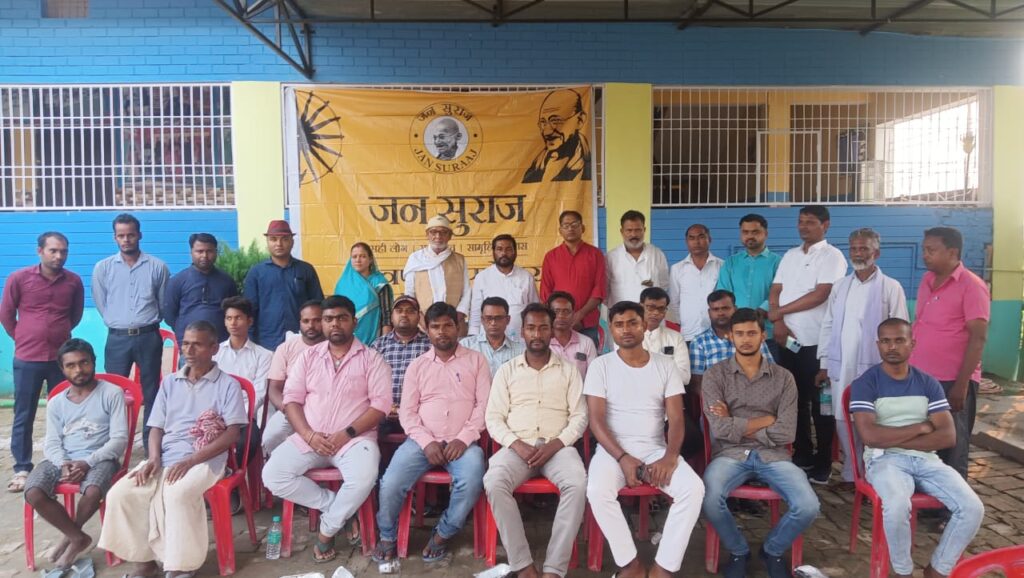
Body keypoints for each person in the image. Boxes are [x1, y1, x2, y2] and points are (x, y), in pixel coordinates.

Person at [97, 321, 248, 578]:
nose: (189, 350)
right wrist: (154, 458)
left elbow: (233, 433)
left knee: (177, 494)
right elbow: (155, 426)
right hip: (166, 456)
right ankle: (144, 562)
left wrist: (190, 461)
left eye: (197, 345)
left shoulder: (227, 385)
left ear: (214, 349)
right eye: (186, 344)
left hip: (206, 459)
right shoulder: (170, 382)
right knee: (121, 493)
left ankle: (181, 565)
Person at [262, 296, 392, 563]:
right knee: (273, 475)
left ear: (354, 322)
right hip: (311, 437)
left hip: (355, 440)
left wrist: (347, 433)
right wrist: (308, 435)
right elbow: (291, 400)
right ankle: (339, 510)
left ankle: (327, 531)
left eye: (342, 318)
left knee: (364, 477)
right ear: (322, 323)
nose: (335, 324)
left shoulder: (372, 359)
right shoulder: (307, 357)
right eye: (329, 319)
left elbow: (380, 407)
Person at [850, 318, 984, 578]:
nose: (892, 347)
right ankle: (903, 572)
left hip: (926, 460)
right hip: (884, 460)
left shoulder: (928, 383)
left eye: (899, 340)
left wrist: (891, 437)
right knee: (897, 505)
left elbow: (947, 437)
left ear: (912, 344)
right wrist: (920, 427)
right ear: (878, 345)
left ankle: (938, 569)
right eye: (886, 341)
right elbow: (870, 436)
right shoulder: (866, 383)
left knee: (972, 508)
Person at [585, 301, 704, 578]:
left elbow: (676, 419)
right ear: (611, 328)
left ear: (644, 325)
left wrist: (670, 457)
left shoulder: (665, 366)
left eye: (632, 323)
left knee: (693, 489)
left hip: (655, 449)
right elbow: (596, 421)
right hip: (612, 450)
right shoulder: (601, 366)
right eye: (619, 324)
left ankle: (663, 568)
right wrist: (623, 458)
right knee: (597, 490)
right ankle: (630, 565)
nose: (626, 329)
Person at [702, 308, 818, 578]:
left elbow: (786, 433)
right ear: (730, 336)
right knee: (709, 499)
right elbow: (719, 428)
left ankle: (772, 550)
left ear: (763, 335)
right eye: (740, 334)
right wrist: (767, 420)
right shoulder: (715, 376)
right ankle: (738, 551)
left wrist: (735, 423)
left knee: (808, 506)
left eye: (752, 333)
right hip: (729, 454)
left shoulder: (784, 378)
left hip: (774, 455)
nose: (746, 339)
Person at [373, 302, 490, 564]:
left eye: (448, 325)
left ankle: (443, 534)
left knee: (473, 479)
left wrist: (464, 438)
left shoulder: (476, 361)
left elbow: (484, 406)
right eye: (435, 326)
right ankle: (388, 536)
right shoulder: (417, 366)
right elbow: (407, 413)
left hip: (462, 443)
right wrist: (426, 442)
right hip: (420, 441)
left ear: (458, 327)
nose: (442, 331)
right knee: (390, 482)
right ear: (427, 329)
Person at [484, 303, 588, 578]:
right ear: (522, 332)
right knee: (494, 481)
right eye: (531, 328)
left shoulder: (569, 371)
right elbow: (493, 418)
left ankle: (554, 569)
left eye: (543, 327)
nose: (537, 334)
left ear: (552, 331)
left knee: (577, 483)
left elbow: (580, 417)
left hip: (558, 448)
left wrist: (556, 444)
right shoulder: (507, 371)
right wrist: (517, 444)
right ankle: (523, 566)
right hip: (518, 447)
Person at [816, 228, 908, 487]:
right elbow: (828, 324)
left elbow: (900, 328)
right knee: (843, 417)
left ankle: (875, 475)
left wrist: (896, 368)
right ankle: (852, 472)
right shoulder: (840, 286)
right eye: (854, 248)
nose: (858, 253)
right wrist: (824, 363)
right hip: (842, 363)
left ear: (876, 253)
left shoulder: (891, 287)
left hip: (878, 367)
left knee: (874, 418)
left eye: (864, 248)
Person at [24, 338, 127, 570]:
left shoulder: (112, 393)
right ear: (62, 369)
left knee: (93, 490)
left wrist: (87, 462)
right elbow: (51, 442)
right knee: (33, 491)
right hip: (62, 458)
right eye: (71, 365)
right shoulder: (56, 403)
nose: (79, 370)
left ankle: (72, 537)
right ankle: (77, 537)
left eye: (84, 362)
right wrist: (63, 463)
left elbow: (119, 440)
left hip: (100, 457)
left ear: (94, 362)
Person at [1, 231, 84, 493]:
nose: (59, 256)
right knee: (24, 414)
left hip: (62, 360)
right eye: (53, 251)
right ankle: (22, 468)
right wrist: (23, 336)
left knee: (65, 412)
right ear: (40, 251)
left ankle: (64, 464)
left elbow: (75, 315)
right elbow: (6, 313)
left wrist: (58, 334)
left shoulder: (73, 282)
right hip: (27, 357)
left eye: (63, 251)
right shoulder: (19, 278)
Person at [769, 205, 847, 478]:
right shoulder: (790, 255)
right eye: (801, 221)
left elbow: (821, 294)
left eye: (810, 222)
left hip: (816, 343)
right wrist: (778, 322)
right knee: (794, 400)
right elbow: (775, 289)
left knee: (820, 403)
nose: (803, 227)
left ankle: (823, 463)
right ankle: (801, 453)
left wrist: (779, 312)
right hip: (788, 340)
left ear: (825, 225)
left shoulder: (832, 256)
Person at [909, 227, 989, 480]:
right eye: (924, 249)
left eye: (931, 250)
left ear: (952, 252)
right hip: (922, 378)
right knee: (924, 440)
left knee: (953, 444)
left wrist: (961, 385)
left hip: (952, 381)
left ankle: (952, 500)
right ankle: (927, 494)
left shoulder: (971, 285)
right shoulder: (927, 280)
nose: (924, 255)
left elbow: (978, 338)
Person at [92, 213, 170, 450]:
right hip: (117, 338)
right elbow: (101, 302)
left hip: (148, 336)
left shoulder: (157, 266)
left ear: (139, 235)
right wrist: (118, 321)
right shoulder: (103, 268)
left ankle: (150, 444)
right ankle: (115, 445)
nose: (126, 240)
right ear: (115, 238)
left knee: (152, 391)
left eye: (131, 235)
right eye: (121, 236)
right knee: (113, 392)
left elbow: (163, 303)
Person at [243, 219, 324, 351]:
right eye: (273, 239)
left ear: (292, 241)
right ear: (267, 242)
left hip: (302, 341)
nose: (279, 244)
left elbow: (318, 306)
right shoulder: (256, 272)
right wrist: (250, 342)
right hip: (266, 343)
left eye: (284, 239)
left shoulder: (305, 270)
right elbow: (249, 310)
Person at [716, 214, 782, 357]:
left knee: (769, 371)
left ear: (766, 233)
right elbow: (723, 294)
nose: (750, 236)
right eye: (745, 232)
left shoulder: (778, 262)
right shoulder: (730, 263)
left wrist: (763, 310)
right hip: (737, 335)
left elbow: (782, 292)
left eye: (755, 232)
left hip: (767, 334)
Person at [264, 300, 324, 453]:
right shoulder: (286, 348)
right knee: (270, 438)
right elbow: (274, 389)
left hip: (325, 409)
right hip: (291, 407)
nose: (311, 326)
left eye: (316, 320)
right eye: (306, 321)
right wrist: (289, 411)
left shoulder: (334, 346)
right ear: (300, 322)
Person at [689, 290, 774, 398]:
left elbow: (771, 372)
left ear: (735, 309)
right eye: (715, 309)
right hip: (718, 401)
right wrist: (716, 403)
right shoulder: (699, 342)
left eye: (725, 308)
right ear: (709, 313)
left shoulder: (753, 338)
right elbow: (697, 383)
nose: (720, 313)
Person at [541, 211, 606, 348]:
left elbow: (599, 290)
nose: (570, 228)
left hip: (587, 323)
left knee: (589, 358)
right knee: (557, 359)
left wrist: (579, 315)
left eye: (574, 224)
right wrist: (562, 318)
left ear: (583, 228)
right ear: (560, 230)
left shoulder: (595, 254)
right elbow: (546, 293)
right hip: (558, 324)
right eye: (566, 225)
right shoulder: (551, 257)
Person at [163, 232, 238, 345]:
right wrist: (182, 329)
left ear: (216, 252)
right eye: (199, 251)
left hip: (220, 344)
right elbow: (169, 314)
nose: (205, 256)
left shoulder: (227, 281)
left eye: (209, 251)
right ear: (191, 252)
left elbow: (233, 311)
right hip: (189, 345)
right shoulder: (178, 281)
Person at [402, 214, 471, 331]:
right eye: (433, 232)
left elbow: (467, 291)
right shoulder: (416, 259)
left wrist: (456, 318)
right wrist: (422, 321)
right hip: (422, 326)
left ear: (450, 236)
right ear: (427, 235)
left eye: (443, 232)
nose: (438, 236)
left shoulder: (459, 260)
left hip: (454, 325)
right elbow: (409, 295)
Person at [371, 295, 432, 424]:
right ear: (391, 317)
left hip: (420, 416)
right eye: (399, 311)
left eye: (410, 311)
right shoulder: (379, 345)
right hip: (383, 415)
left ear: (419, 317)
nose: (404, 314)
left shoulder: (430, 345)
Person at [468, 234, 539, 340]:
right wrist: (473, 337)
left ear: (515, 252)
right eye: (499, 249)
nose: (504, 253)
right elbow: (476, 312)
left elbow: (534, 309)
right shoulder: (482, 278)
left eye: (508, 249)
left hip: (520, 340)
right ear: (493, 252)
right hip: (489, 341)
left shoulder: (526, 277)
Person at [213, 296, 272, 414]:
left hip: (247, 415)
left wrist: (238, 417)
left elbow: (259, 393)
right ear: (224, 321)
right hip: (215, 412)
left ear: (249, 321)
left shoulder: (264, 355)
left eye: (238, 318)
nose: (233, 323)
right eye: (229, 318)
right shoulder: (215, 352)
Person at [521, 88, 591, 183]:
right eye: (543, 123)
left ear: (580, 120)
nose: (547, 132)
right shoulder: (536, 167)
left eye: (555, 121)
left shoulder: (588, 165)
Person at [669, 223, 724, 342]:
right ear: (686, 242)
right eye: (692, 238)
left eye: (701, 237)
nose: (696, 242)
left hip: (717, 333)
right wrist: (683, 322)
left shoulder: (722, 266)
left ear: (709, 239)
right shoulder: (677, 269)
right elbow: (674, 303)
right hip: (688, 333)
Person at [333, 241, 393, 346]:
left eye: (363, 256)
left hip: (374, 341)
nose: (358, 260)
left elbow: (387, 315)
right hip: (346, 340)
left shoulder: (379, 283)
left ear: (370, 259)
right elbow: (335, 314)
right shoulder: (342, 284)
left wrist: (385, 343)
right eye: (354, 256)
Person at [605, 210, 670, 307]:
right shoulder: (611, 257)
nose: (634, 235)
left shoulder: (657, 254)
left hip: (649, 314)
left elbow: (664, 285)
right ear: (622, 232)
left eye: (638, 230)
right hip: (621, 314)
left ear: (644, 230)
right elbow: (605, 290)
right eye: (629, 230)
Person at [460, 296, 525, 377]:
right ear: (482, 320)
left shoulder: (520, 352)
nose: (493, 323)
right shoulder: (466, 346)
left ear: (508, 320)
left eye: (498, 318)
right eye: (488, 318)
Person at [546, 291, 597, 379]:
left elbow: (594, 377)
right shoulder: (543, 343)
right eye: (556, 311)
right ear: (549, 314)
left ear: (573, 314)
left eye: (566, 311)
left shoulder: (586, 343)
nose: (561, 316)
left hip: (580, 388)